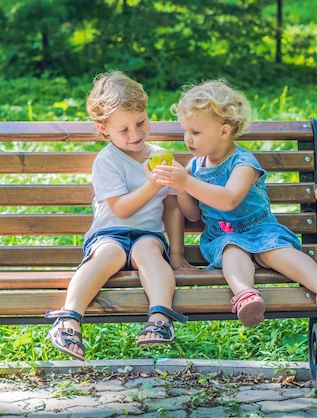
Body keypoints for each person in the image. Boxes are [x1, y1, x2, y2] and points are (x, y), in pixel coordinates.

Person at [153, 79, 317, 327]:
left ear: (224, 131)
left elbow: (229, 200)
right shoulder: (195, 166)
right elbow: (193, 215)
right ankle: (246, 296)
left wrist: (187, 183)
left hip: (260, 229)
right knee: (232, 252)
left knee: (277, 252)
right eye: (185, 131)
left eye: (195, 132)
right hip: (223, 236)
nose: (187, 139)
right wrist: (181, 189)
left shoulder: (243, 162)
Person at [45, 71, 192, 360]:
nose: (135, 134)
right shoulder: (108, 160)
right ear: (104, 128)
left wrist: (176, 253)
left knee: (150, 251)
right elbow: (121, 208)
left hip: (148, 234)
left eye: (140, 123)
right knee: (108, 255)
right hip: (108, 233)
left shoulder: (161, 155)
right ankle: (68, 320)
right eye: (124, 129)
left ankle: (160, 318)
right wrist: (153, 183)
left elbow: (175, 209)